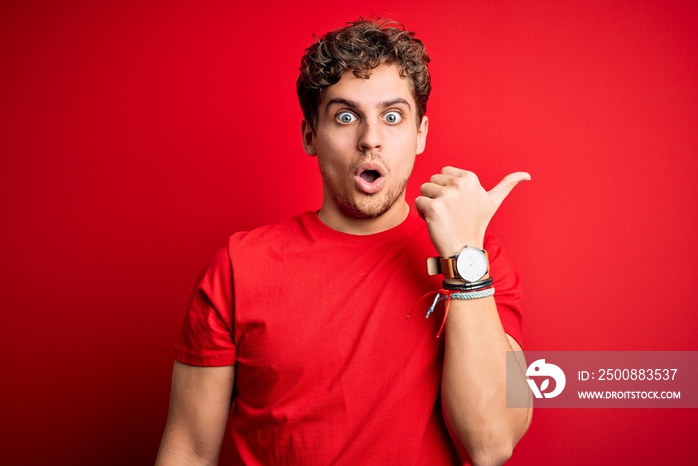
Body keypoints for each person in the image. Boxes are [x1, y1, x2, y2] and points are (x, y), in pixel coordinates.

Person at [156, 18, 532, 466]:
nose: (370, 139)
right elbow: (190, 450)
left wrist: (464, 260)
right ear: (310, 136)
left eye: (392, 117)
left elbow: (491, 444)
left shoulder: (477, 259)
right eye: (346, 116)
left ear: (420, 134)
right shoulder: (239, 267)